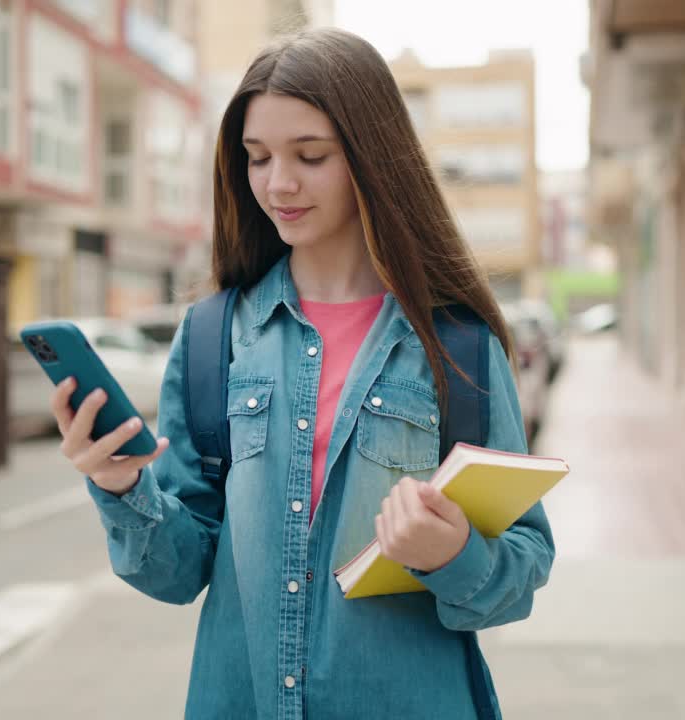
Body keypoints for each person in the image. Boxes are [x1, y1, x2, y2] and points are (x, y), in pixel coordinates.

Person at [49, 27, 554, 719]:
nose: (278, 183)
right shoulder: (211, 338)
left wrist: (454, 551)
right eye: (257, 158)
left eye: (309, 156)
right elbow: (176, 572)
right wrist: (121, 486)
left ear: (372, 159)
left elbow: (519, 571)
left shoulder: (457, 347)